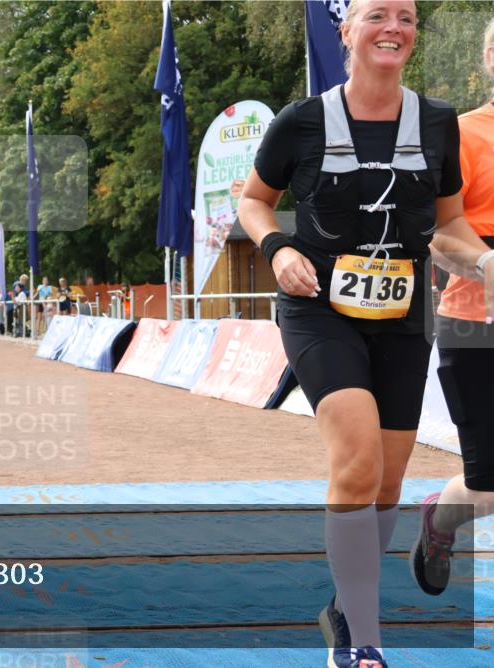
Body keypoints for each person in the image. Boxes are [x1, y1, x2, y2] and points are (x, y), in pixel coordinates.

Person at [237, 2, 481, 665]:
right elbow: (254, 200)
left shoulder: (436, 123)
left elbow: (449, 225)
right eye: (378, 15)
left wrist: (484, 262)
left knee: (389, 485)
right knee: (358, 462)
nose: (393, 28)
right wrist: (278, 249)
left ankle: (346, 603)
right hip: (318, 306)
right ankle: (361, 638)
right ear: (346, 31)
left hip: (404, 313)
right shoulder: (303, 121)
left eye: (405, 17)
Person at [409, 17, 494, 599]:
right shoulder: (462, 135)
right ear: (488, 56)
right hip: (475, 325)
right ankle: (441, 519)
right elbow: (435, 235)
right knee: (488, 490)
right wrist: (487, 268)